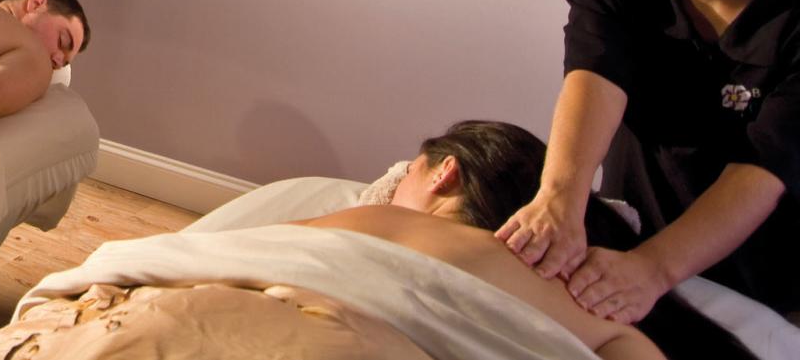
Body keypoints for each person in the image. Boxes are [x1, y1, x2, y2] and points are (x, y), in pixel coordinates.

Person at [496, 0, 800, 324]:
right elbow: (594, 82)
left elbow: (759, 172)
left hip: (761, 281)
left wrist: (654, 270)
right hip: (630, 245)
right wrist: (559, 202)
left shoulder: (792, 24)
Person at [298, 121, 755, 360]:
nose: (393, 187)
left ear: (445, 172)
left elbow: (270, 245)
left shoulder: (383, 222)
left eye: (408, 174)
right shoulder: (571, 296)